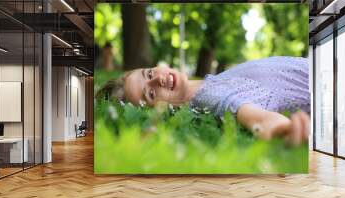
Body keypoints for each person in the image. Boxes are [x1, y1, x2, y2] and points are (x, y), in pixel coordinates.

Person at [96, 56, 311, 145]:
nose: (159, 80)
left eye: (149, 74)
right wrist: (284, 129)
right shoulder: (208, 98)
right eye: (150, 94)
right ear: (158, 110)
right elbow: (256, 118)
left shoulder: (210, 82)